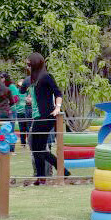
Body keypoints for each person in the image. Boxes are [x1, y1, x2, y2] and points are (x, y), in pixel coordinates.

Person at [20, 52, 69, 184]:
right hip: (37, 116)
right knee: (38, 148)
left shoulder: (46, 76)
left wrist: (57, 107)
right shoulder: (33, 79)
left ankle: (45, 176)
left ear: (35, 64)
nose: (27, 66)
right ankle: (53, 174)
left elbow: (58, 93)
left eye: (29, 64)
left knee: (37, 148)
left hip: (46, 116)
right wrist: (30, 99)